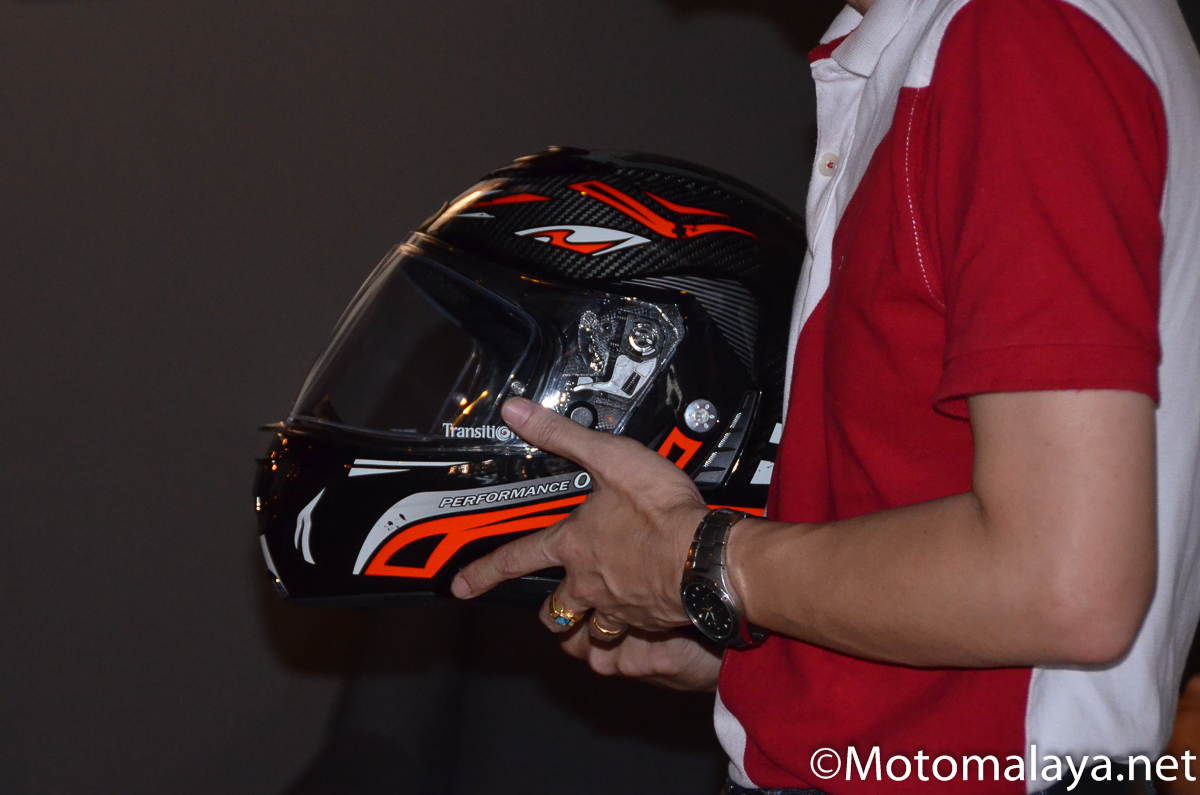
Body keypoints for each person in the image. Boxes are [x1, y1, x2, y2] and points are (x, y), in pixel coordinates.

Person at [450, 0, 1200, 792]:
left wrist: (694, 562)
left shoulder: (1023, 33)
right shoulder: (958, 42)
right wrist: (771, 657)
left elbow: (1064, 583)